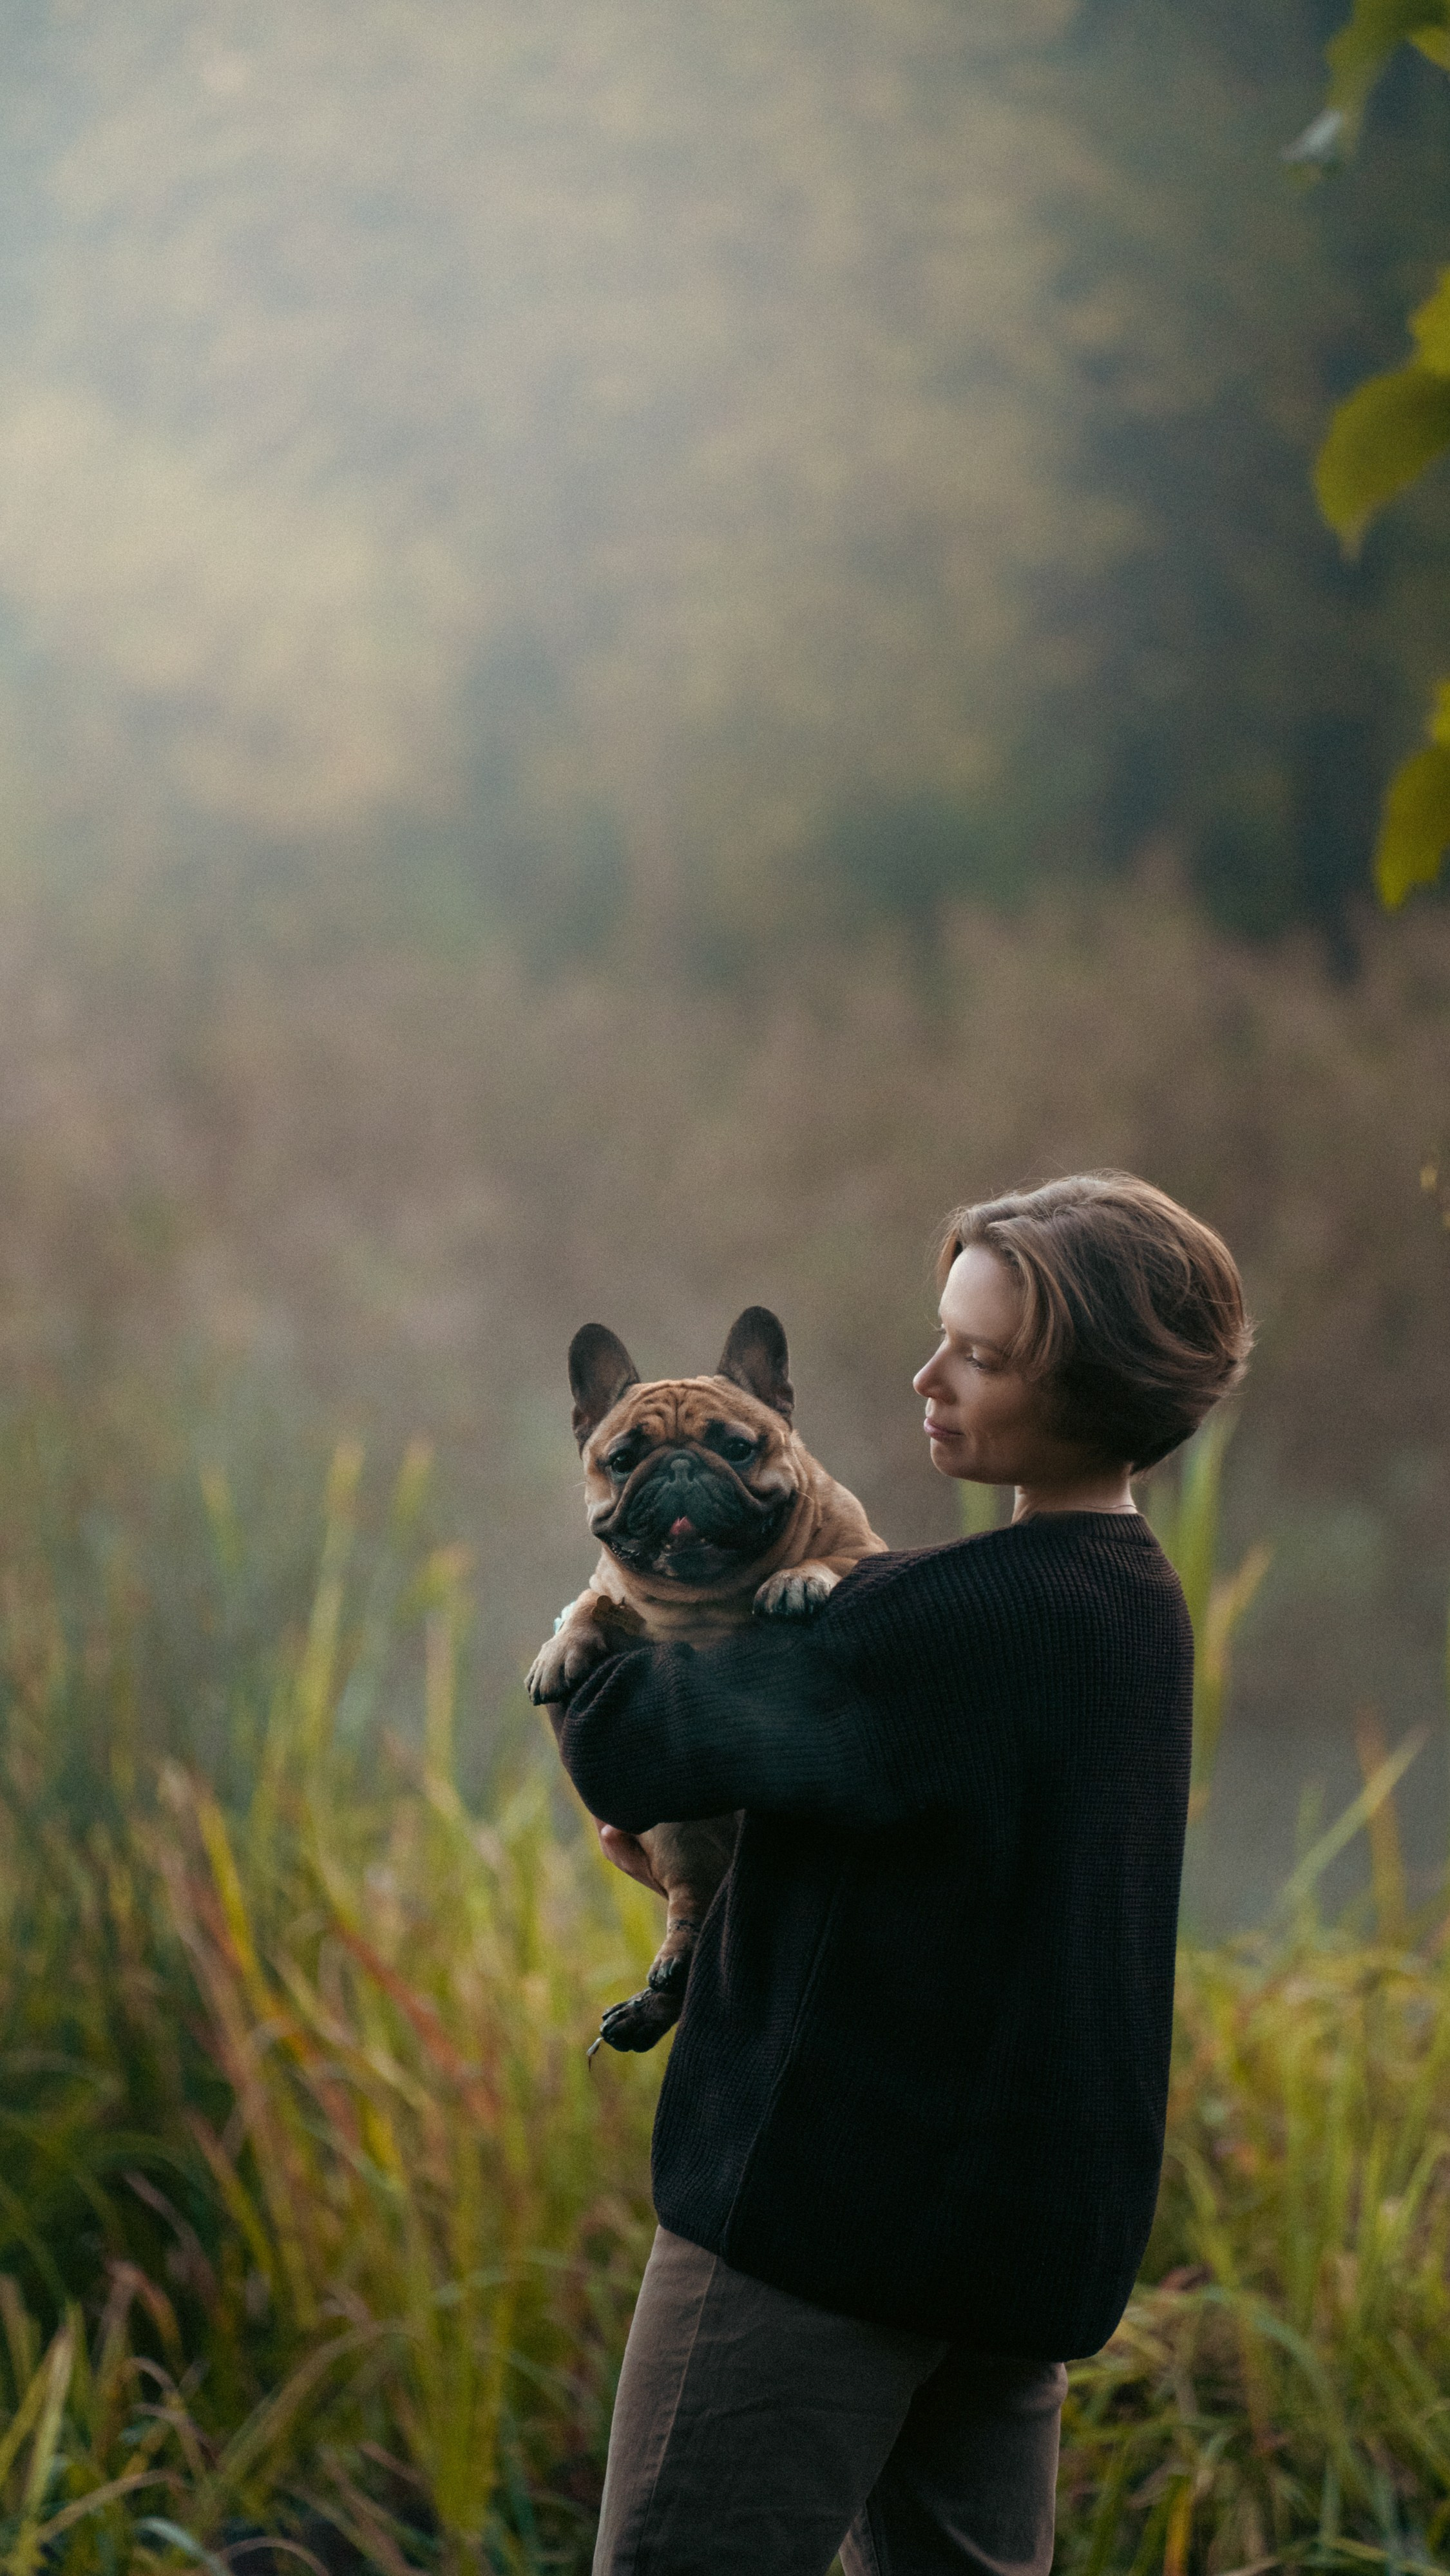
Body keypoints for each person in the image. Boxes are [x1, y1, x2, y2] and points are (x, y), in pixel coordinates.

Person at [553, 1173, 1252, 2576]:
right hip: (1015, 2255)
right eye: (942, 1336)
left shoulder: (938, 1622)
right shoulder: (1131, 1604)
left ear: (1091, 1376)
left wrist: (617, 1612)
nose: (928, 1375)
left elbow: (625, 1740)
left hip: (819, 2234)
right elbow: (967, 1890)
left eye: (979, 1355)